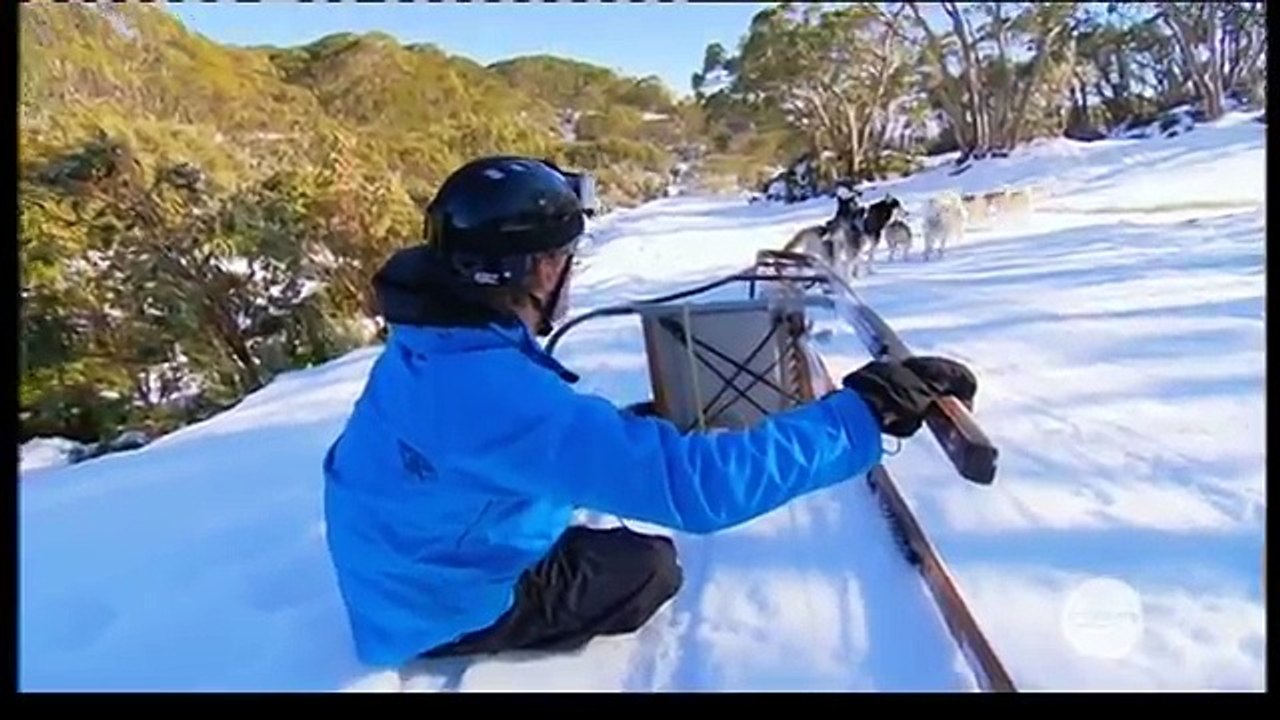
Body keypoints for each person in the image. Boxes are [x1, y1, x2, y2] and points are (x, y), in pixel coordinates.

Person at [322, 156, 978, 668]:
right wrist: (865, 410)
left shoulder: (435, 342)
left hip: (400, 568)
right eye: (564, 259)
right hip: (436, 608)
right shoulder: (492, 389)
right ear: (542, 270)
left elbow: (494, 441)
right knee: (650, 567)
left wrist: (619, 435)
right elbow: (699, 489)